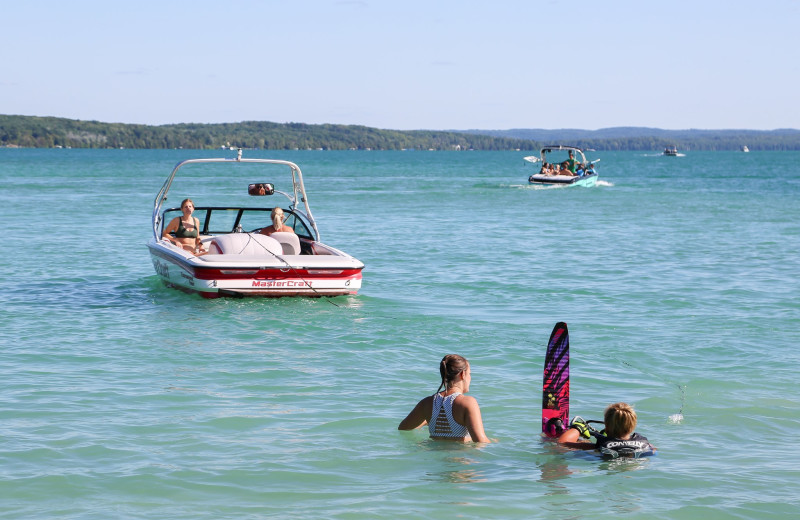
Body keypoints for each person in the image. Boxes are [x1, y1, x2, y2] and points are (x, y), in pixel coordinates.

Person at [398, 354, 492, 443]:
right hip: (458, 458)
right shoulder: (468, 402)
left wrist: (429, 420)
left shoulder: (427, 403)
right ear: (462, 374)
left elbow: (403, 428)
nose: (470, 378)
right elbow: (481, 442)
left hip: (433, 457)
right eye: (470, 374)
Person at [557, 402, 655, 458]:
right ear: (632, 426)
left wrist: (577, 428)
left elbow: (562, 442)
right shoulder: (645, 444)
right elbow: (653, 450)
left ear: (606, 427)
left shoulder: (601, 444)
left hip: (605, 461)